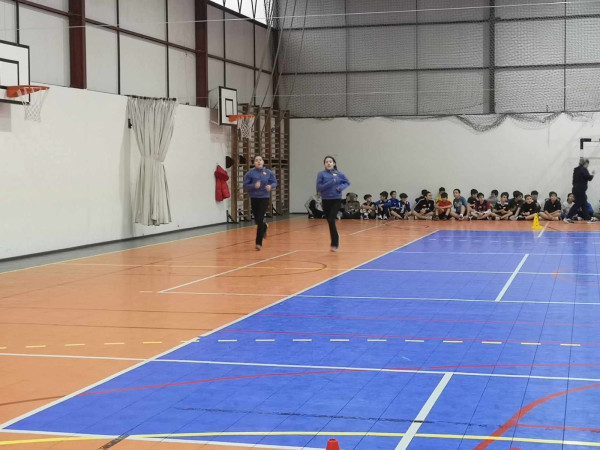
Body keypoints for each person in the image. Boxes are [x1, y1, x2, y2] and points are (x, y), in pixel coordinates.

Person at [316, 156, 350, 251]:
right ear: (324, 164)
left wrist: (340, 188)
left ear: (334, 163)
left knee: (331, 220)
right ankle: (335, 235)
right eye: (326, 162)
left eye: (330, 161)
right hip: (325, 200)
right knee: (330, 222)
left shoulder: (339, 174)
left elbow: (347, 182)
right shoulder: (321, 174)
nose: (328, 163)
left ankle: (335, 243)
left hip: (336, 199)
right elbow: (319, 187)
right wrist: (331, 182)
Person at [243, 155, 277, 250]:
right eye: (256, 160)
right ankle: (264, 226)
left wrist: (270, 186)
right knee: (257, 220)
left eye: (260, 160)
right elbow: (245, 186)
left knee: (260, 218)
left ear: (263, 162)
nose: (258, 161)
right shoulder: (250, 174)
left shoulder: (268, 172)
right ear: (254, 163)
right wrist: (254, 186)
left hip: (264, 198)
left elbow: (274, 182)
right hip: (254, 198)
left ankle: (258, 243)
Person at [565, 158, 597, 224]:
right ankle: (568, 217)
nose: (588, 165)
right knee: (578, 204)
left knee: (584, 204)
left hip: (576, 189)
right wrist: (593, 174)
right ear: (585, 163)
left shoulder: (576, 170)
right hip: (580, 190)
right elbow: (589, 178)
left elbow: (574, 181)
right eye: (587, 164)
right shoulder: (583, 169)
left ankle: (588, 218)